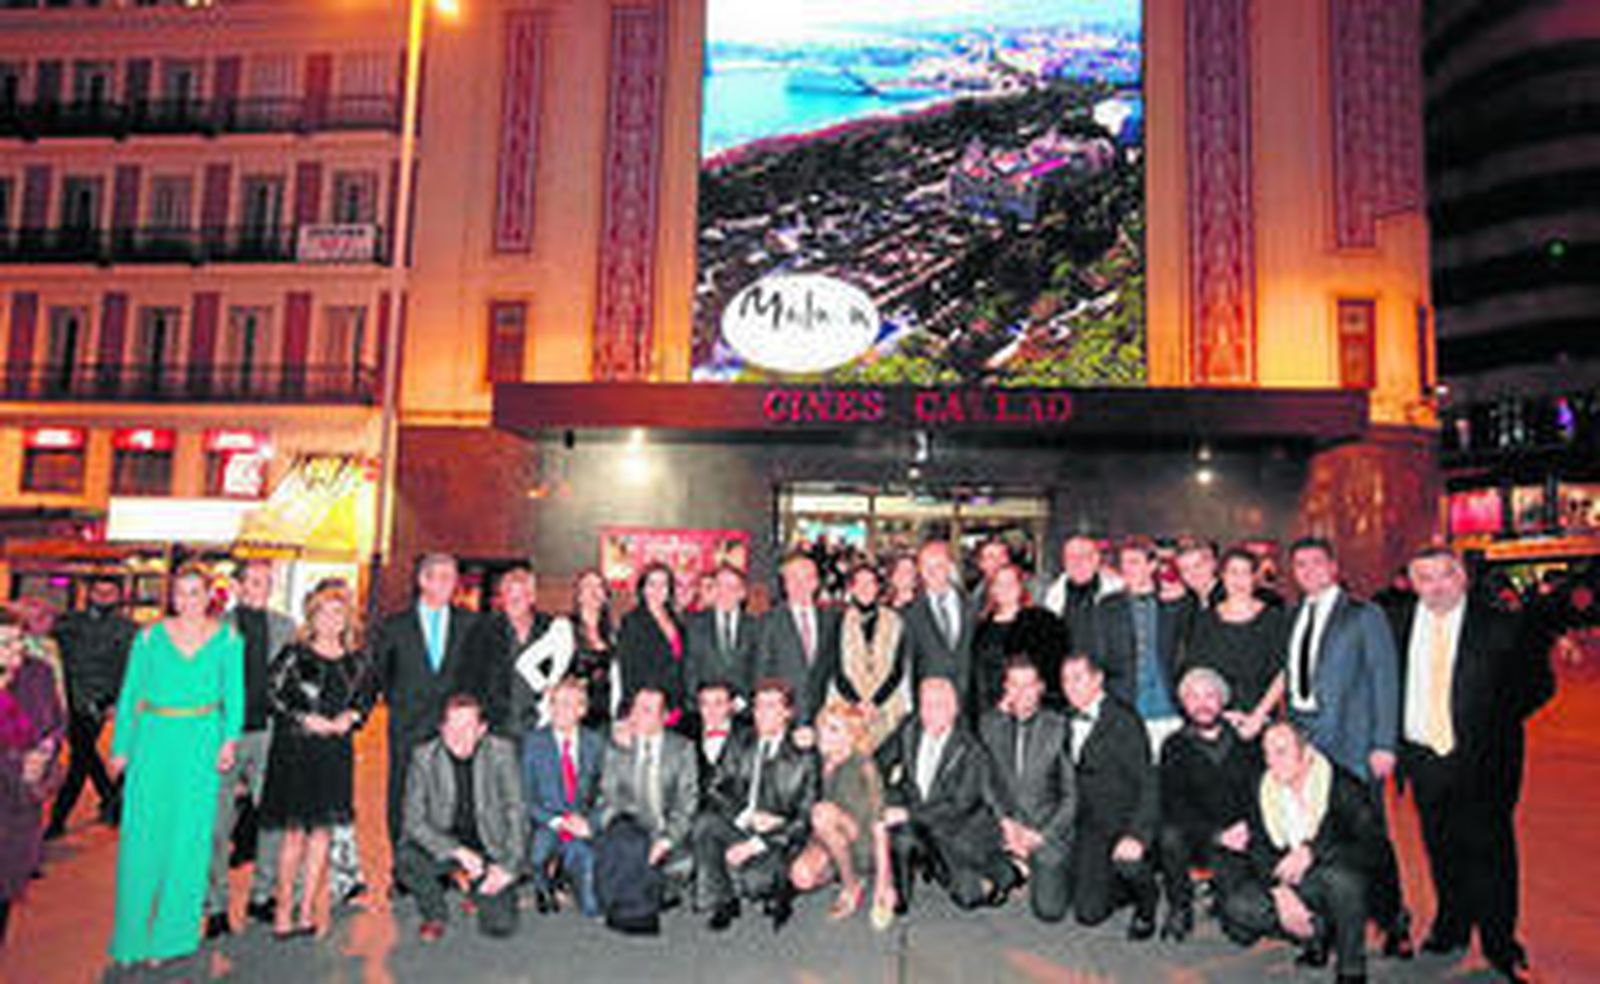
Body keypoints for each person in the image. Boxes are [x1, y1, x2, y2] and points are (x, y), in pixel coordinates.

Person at [1389, 546, 1554, 981]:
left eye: (1443, 575)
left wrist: (1490, 722)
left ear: (1461, 576)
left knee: (1492, 852)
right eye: (1423, 578)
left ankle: (1501, 942)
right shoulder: (1398, 622)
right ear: (1411, 581)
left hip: (1483, 761)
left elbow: (1539, 685)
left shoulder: (1502, 624)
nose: (1434, 586)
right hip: (1425, 759)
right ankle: (1452, 927)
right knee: (1440, 848)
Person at [108, 565, 244, 966]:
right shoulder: (148, 637)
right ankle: (131, 938)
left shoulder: (228, 638)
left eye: (195, 593)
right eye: (180, 593)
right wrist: (121, 747)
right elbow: (131, 691)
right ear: (171, 596)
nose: (187, 601)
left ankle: (173, 937)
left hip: (201, 740)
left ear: (209, 597)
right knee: (141, 839)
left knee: (189, 841)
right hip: (152, 738)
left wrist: (229, 740)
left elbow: (233, 693)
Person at [1284, 537, 1411, 958]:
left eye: (1316, 563)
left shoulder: (1363, 614)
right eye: (1299, 565)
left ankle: (1393, 921)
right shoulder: (1295, 614)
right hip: (1307, 743)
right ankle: (1324, 930)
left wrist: (1383, 743)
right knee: (1310, 836)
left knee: (1368, 838)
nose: (1307, 571)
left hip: (1354, 744)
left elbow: (1385, 680)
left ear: (1333, 567)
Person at [1219, 721, 1383, 983]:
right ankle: (1315, 934)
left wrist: (1313, 852)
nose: (1272, 761)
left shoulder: (1343, 786)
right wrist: (1280, 892)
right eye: (1267, 753)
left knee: (1342, 881)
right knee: (1238, 907)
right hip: (1290, 879)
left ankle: (1351, 968)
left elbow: (1372, 846)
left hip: (1337, 877)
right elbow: (1258, 847)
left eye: (1281, 751)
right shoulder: (1261, 787)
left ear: (1306, 754)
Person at [257, 581, 377, 939]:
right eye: (324, 612)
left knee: (322, 834)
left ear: (347, 619)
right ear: (312, 616)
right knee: (294, 835)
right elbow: (272, 694)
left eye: (338, 612)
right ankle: (283, 909)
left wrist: (351, 717)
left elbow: (368, 696)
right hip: (297, 751)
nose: (331, 619)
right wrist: (305, 718)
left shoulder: (356, 660)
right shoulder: (295, 653)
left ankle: (308, 907)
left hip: (334, 753)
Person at [205, 560, 297, 937]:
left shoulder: (286, 627)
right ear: (238, 586)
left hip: (269, 735)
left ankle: (262, 895)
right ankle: (215, 905)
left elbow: (294, 682)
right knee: (217, 825)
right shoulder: (215, 629)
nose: (262, 588)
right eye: (255, 581)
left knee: (272, 819)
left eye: (267, 582)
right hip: (223, 737)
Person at [877, 676, 1016, 912]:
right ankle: (899, 897)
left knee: (968, 898)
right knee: (901, 836)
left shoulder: (970, 748)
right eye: (925, 705)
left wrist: (906, 813)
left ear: (954, 709)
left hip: (955, 828)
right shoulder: (909, 728)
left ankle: (1009, 870)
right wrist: (880, 795)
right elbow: (878, 762)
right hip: (917, 817)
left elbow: (959, 805)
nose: (931, 712)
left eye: (939, 705)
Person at [376, 553, 481, 862]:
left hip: (452, 729)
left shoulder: (469, 623)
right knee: (402, 795)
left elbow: (474, 676)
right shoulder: (395, 626)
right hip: (407, 725)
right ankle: (403, 865)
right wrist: (356, 712)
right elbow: (378, 674)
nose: (451, 584)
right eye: (443, 577)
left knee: (447, 796)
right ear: (424, 580)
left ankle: (443, 862)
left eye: (453, 577)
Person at [395, 693, 525, 942]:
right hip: (445, 844)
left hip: (488, 847)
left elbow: (516, 812)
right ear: (442, 728)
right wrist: (457, 851)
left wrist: (508, 867)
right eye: (453, 727)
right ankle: (435, 912)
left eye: (468, 727)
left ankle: (472, 887)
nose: (460, 735)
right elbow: (413, 821)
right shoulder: (423, 757)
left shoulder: (502, 753)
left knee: (500, 927)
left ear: (482, 729)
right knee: (406, 858)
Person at [695, 678, 819, 932]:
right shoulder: (740, 741)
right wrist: (744, 816)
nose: (763, 714)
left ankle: (779, 889)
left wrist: (757, 843)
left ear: (787, 712)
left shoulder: (804, 757)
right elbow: (716, 788)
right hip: (743, 823)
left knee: (754, 882)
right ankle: (723, 900)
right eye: (758, 707)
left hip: (779, 838)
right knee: (705, 822)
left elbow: (805, 820)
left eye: (772, 707)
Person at [1155, 667, 1261, 942]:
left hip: (1243, 836)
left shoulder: (1246, 741)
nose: (1202, 704)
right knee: (1169, 835)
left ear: (1223, 700)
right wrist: (1216, 834)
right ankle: (1180, 907)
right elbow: (1174, 804)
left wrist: (1248, 827)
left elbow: (1263, 793)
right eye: (1193, 697)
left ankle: (1222, 895)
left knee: (1242, 933)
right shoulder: (1174, 745)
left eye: (1209, 695)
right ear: (1183, 704)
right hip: (1200, 836)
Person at [1059, 651, 1159, 937]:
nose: (1070, 687)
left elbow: (1148, 781)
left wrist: (1137, 835)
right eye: (1065, 680)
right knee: (1062, 899)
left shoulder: (1123, 720)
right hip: (1079, 822)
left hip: (1114, 822)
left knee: (1088, 914)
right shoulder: (1063, 717)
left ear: (1098, 679)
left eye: (1078, 678)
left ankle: (1145, 895)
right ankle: (1106, 878)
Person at [978, 655, 1075, 923]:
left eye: (1028, 685)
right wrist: (1005, 821)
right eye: (1014, 685)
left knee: (1050, 911)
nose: (1021, 694)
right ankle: (1015, 866)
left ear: (1041, 687)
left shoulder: (1059, 727)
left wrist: (1041, 836)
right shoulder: (990, 724)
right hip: (1006, 827)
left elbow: (1071, 796)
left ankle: (1040, 867)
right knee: (972, 890)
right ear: (1005, 688)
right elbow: (986, 782)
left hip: (1044, 829)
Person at [788, 702, 894, 927]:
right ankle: (844, 873)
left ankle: (851, 885)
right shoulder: (819, 759)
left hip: (861, 843)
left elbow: (879, 826)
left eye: (834, 729)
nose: (824, 734)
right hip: (827, 836)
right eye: (823, 726)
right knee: (801, 877)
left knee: (822, 813)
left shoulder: (864, 765)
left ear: (851, 735)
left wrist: (884, 882)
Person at [45, 576, 134, 839]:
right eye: (99, 591)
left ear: (120, 595)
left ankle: (58, 819)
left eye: (110, 592)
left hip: (101, 700)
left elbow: (129, 669)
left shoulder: (128, 629)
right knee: (85, 754)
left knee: (80, 760)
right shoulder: (69, 623)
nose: (104, 597)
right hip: (69, 697)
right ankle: (110, 798)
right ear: (89, 593)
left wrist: (116, 700)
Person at [0, 609, 64, 945]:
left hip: (19, 811)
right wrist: (15, 763)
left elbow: (55, 722)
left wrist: (45, 754)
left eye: (18, 641)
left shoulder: (37, 674)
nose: (15, 652)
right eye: (5, 644)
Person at [1094, 537, 1186, 756]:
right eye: (1124, 563)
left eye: (1134, 562)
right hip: (1125, 707)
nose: (1127, 569)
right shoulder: (1108, 606)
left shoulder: (1173, 602)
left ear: (1152, 565)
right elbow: (1100, 656)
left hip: (1169, 709)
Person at [600, 687, 699, 891]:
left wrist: (665, 841)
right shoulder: (618, 747)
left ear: (664, 717)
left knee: (678, 869)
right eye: (636, 708)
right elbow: (610, 798)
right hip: (631, 835)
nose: (638, 716)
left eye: (647, 710)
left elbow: (687, 805)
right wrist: (632, 840)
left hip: (669, 834)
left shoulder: (682, 750)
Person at [1185, 547, 1290, 740]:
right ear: (1222, 576)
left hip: (1262, 719)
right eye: (1233, 572)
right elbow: (1198, 671)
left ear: (1255, 578)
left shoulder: (1274, 619)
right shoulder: (1205, 620)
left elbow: (1284, 672)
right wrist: (1219, 712)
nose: (1238, 580)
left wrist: (1258, 715)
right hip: (1217, 719)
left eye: (1245, 573)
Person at [523, 675, 605, 917]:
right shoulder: (534, 743)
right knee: (538, 853)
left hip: (580, 822)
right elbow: (525, 796)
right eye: (555, 703)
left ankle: (569, 875)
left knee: (592, 908)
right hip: (547, 821)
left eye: (568, 704)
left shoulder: (595, 743)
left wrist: (590, 823)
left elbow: (607, 792)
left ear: (582, 709)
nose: (559, 710)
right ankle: (543, 882)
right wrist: (556, 821)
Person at [466, 564, 573, 736]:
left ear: (532, 597)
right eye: (508, 594)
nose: (512, 601)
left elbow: (566, 673)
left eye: (519, 595)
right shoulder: (483, 631)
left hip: (543, 726)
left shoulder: (552, 629)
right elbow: (471, 681)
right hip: (498, 729)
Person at [826, 563, 909, 751]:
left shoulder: (894, 620)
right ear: (851, 588)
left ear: (878, 587)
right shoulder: (838, 621)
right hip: (848, 704)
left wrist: (874, 704)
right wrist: (858, 704)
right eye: (859, 583)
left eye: (870, 583)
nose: (865, 588)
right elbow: (836, 668)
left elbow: (898, 669)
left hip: (886, 704)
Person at [972, 564, 1068, 713]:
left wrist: (1022, 698)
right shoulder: (981, 629)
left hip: (1035, 709)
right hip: (992, 711)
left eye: (1011, 583)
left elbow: (1053, 670)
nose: (1005, 588)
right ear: (992, 589)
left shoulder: (1044, 622)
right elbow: (978, 677)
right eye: (999, 583)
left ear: (1021, 587)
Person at [759, 552, 841, 724]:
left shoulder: (831, 619)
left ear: (816, 582)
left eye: (806, 577)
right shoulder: (769, 621)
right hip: (782, 717)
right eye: (793, 578)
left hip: (822, 717)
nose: (800, 584)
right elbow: (762, 671)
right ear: (784, 584)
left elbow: (835, 667)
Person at [902, 541, 978, 708]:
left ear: (950, 566)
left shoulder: (972, 607)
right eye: (925, 565)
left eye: (938, 564)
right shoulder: (910, 613)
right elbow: (909, 664)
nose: (932, 571)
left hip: (969, 703)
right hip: (931, 705)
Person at [616, 563, 689, 729]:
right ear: (643, 588)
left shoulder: (677, 620)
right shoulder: (632, 621)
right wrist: (641, 706)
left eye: (663, 584)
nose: (658, 589)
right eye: (652, 584)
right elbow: (628, 669)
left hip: (675, 703)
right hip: (648, 705)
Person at [684, 564, 762, 704]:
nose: (724, 592)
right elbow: (689, 669)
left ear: (742, 593)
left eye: (731, 587)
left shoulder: (756, 626)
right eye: (718, 586)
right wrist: (702, 702)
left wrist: (741, 702)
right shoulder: (694, 624)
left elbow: (759, 670)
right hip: (704, 710)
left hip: (743, 710)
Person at [1041, 534, 1122, 650]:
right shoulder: (1052, 597)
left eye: (1084, 556)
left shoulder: (1117, 590)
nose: (1077, 563)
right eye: (1071, 557)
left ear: (1096, 559)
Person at [690, 679, 749, 808]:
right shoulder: (686, 732)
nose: (711, 710)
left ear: (731, 706)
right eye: (705, 704)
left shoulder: (749, 735)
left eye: (718, 703)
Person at [569, 568, 617, 727]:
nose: (594, 591)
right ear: (579, 595)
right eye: (588, 585)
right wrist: (548, 688)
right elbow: (526, 664)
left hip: (604, 714)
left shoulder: (612, 634)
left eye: (599, 586)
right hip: (573, 714)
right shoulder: (565, 628)